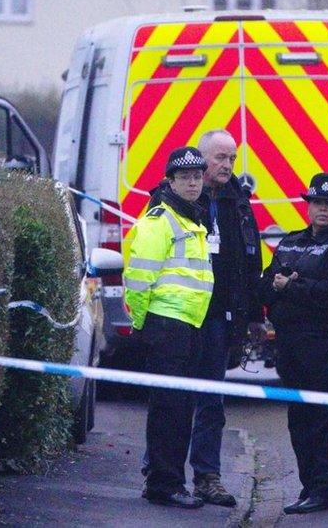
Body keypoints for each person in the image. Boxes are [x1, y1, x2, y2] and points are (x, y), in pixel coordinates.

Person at [147, 129, 265, 506]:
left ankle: (207, 477)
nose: (227, 165)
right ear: (200, 159)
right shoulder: (170, 202)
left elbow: (250, 262)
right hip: (178, 319)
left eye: (232, 158)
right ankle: (162, 474)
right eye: (219, 158)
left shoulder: (238, 203)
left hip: (217, 318)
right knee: (171, 399)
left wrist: (252, 318)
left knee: (211, 402)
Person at [258, 173, 328, 515]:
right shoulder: (290, 243)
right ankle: (310, 488)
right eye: (318, 203)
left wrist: (292, 286)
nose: (323, 210)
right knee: (300, 424)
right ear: (308, 206)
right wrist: (283, 289)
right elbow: (266, 284)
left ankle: (327, 491)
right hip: (293, 350)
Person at [123, 146, 214, 509]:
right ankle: (166, 484)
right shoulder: (160, 221)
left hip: (188, 326)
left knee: (179, 408)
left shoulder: (192, 220)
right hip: (167, 327)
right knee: (170, 410)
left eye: (197, 176)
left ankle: (167, 481)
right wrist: (142, 323)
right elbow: (138, 278)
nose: (193, 182)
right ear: (170, 181)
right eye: (185, 177)